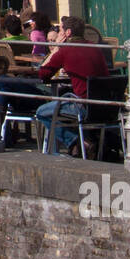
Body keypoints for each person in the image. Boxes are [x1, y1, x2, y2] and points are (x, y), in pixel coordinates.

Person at [34, 16, 109, 155]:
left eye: (61, 30)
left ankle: (77, 142)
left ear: (68, 33)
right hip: (104, 105)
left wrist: (57, 48)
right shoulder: (96, 48)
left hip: (83, 105)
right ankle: (83, 143)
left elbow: (43, 74)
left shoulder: (66, 50)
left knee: (42, 112)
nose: (60, 33)